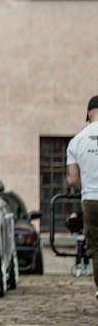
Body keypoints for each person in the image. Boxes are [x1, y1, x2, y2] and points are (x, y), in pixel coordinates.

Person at [66, 95, 98, 299]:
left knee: (95, 248)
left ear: (88, 112)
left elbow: (74, 179)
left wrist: (78, 183)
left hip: (91, 199)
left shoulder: (77, 140)